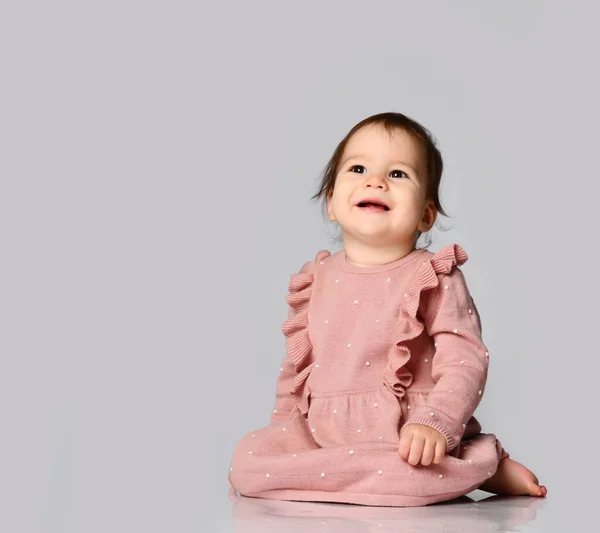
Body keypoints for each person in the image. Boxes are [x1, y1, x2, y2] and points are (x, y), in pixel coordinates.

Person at [228, 111, 548, 507]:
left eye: (398, 174)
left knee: (412, 472)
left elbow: (466, 359)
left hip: (404, 435)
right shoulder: (316, 278)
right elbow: (296, 371)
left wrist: (437, 423)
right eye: (358, 168)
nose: (375, 180)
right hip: (321, 433)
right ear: (331, 203)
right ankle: (350, 474)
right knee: (246, 460)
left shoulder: (432, 276)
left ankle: (481, 465)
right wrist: (281, 432)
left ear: (426, 214)